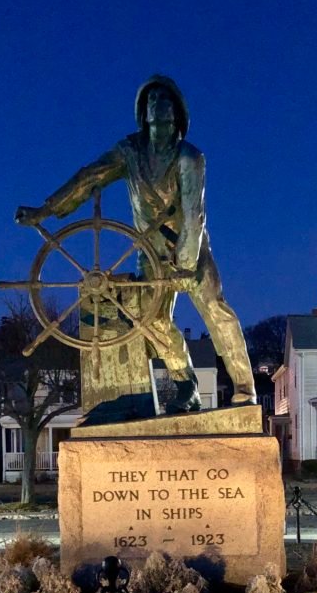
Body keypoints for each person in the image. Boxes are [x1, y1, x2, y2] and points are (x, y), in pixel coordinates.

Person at [15, 74, 256, 413]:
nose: (158, 106)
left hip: (192, 251)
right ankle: (186, 384)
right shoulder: (129, 152)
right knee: (153, 321)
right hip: (150, 254)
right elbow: (90, 177)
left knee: (217, 311)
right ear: (143, 114)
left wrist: (187, 265)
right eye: (151, 101)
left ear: (177, 114)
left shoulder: (190, 158)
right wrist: (47, 209)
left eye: (165, 101)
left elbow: (192, 214)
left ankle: (245, 388)